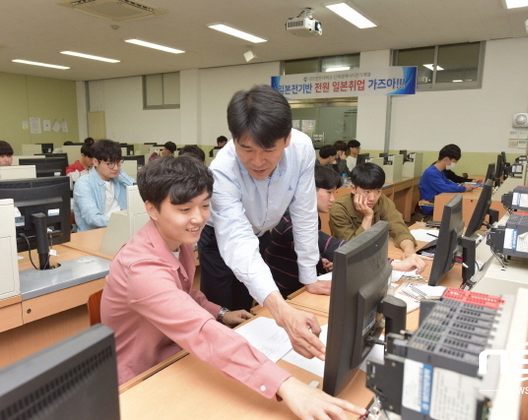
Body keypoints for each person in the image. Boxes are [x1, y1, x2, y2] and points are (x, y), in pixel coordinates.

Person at [101, 155, 364, 419]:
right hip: (142, 377)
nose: (198, 218)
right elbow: (199, 330)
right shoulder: (141, 267)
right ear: (152, 209)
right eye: (184, 210)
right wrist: (287, 385)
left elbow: (184, 294)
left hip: (178, 356)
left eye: (205, 206)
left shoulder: (174, 241)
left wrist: (220, 312)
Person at [198, 84, 329, 362]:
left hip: (259, 235)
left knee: (247, 306)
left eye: (268, 149)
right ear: (233, 141)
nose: (257, 161)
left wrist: (309, 276)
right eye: (246, 149)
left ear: (287, 138)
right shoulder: (222, 169)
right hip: (218, 240)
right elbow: (236, 243)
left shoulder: (302, 149)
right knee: (225, 312)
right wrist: (283, 313)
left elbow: (304, 212)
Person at [265, 165, 427, 298]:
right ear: (307, 190)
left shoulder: (310, 215)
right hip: (289, 292)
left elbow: (313, 248)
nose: (332, 199)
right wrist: (396, 264)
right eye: (328, 192)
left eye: (334, 193)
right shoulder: (290, 222)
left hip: (308, 281)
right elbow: (339, 246)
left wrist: (320, 260)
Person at [329, 162, 424, 264]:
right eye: (367, 192)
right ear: (353, 189)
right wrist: (368, 217)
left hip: (374, 254)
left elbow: (399, 228)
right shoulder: (339, 208)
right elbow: (352, 248)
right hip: (350, 262)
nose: (372, 198)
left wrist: (409, 251)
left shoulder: (382, 201)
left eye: (378, 191)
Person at [73, 139, 135, 232]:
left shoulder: (119, 180)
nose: (116, 168)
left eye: (118, 163)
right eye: (110, 164)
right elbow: (93, 219)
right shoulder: (84, 184)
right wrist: (124, 221)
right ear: (95, 162)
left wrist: (120, 174)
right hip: (95, 234)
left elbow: (137, 191)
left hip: (123, 230)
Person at [419, 144, 474, 215]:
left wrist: (459, 185)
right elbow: (444, 188)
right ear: (446, 159)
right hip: (432, 206)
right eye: (454, 161)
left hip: (440, 201)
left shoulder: (439, 171)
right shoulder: (431, 172)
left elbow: (447, 182)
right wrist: (464, 189)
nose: (454, 164)